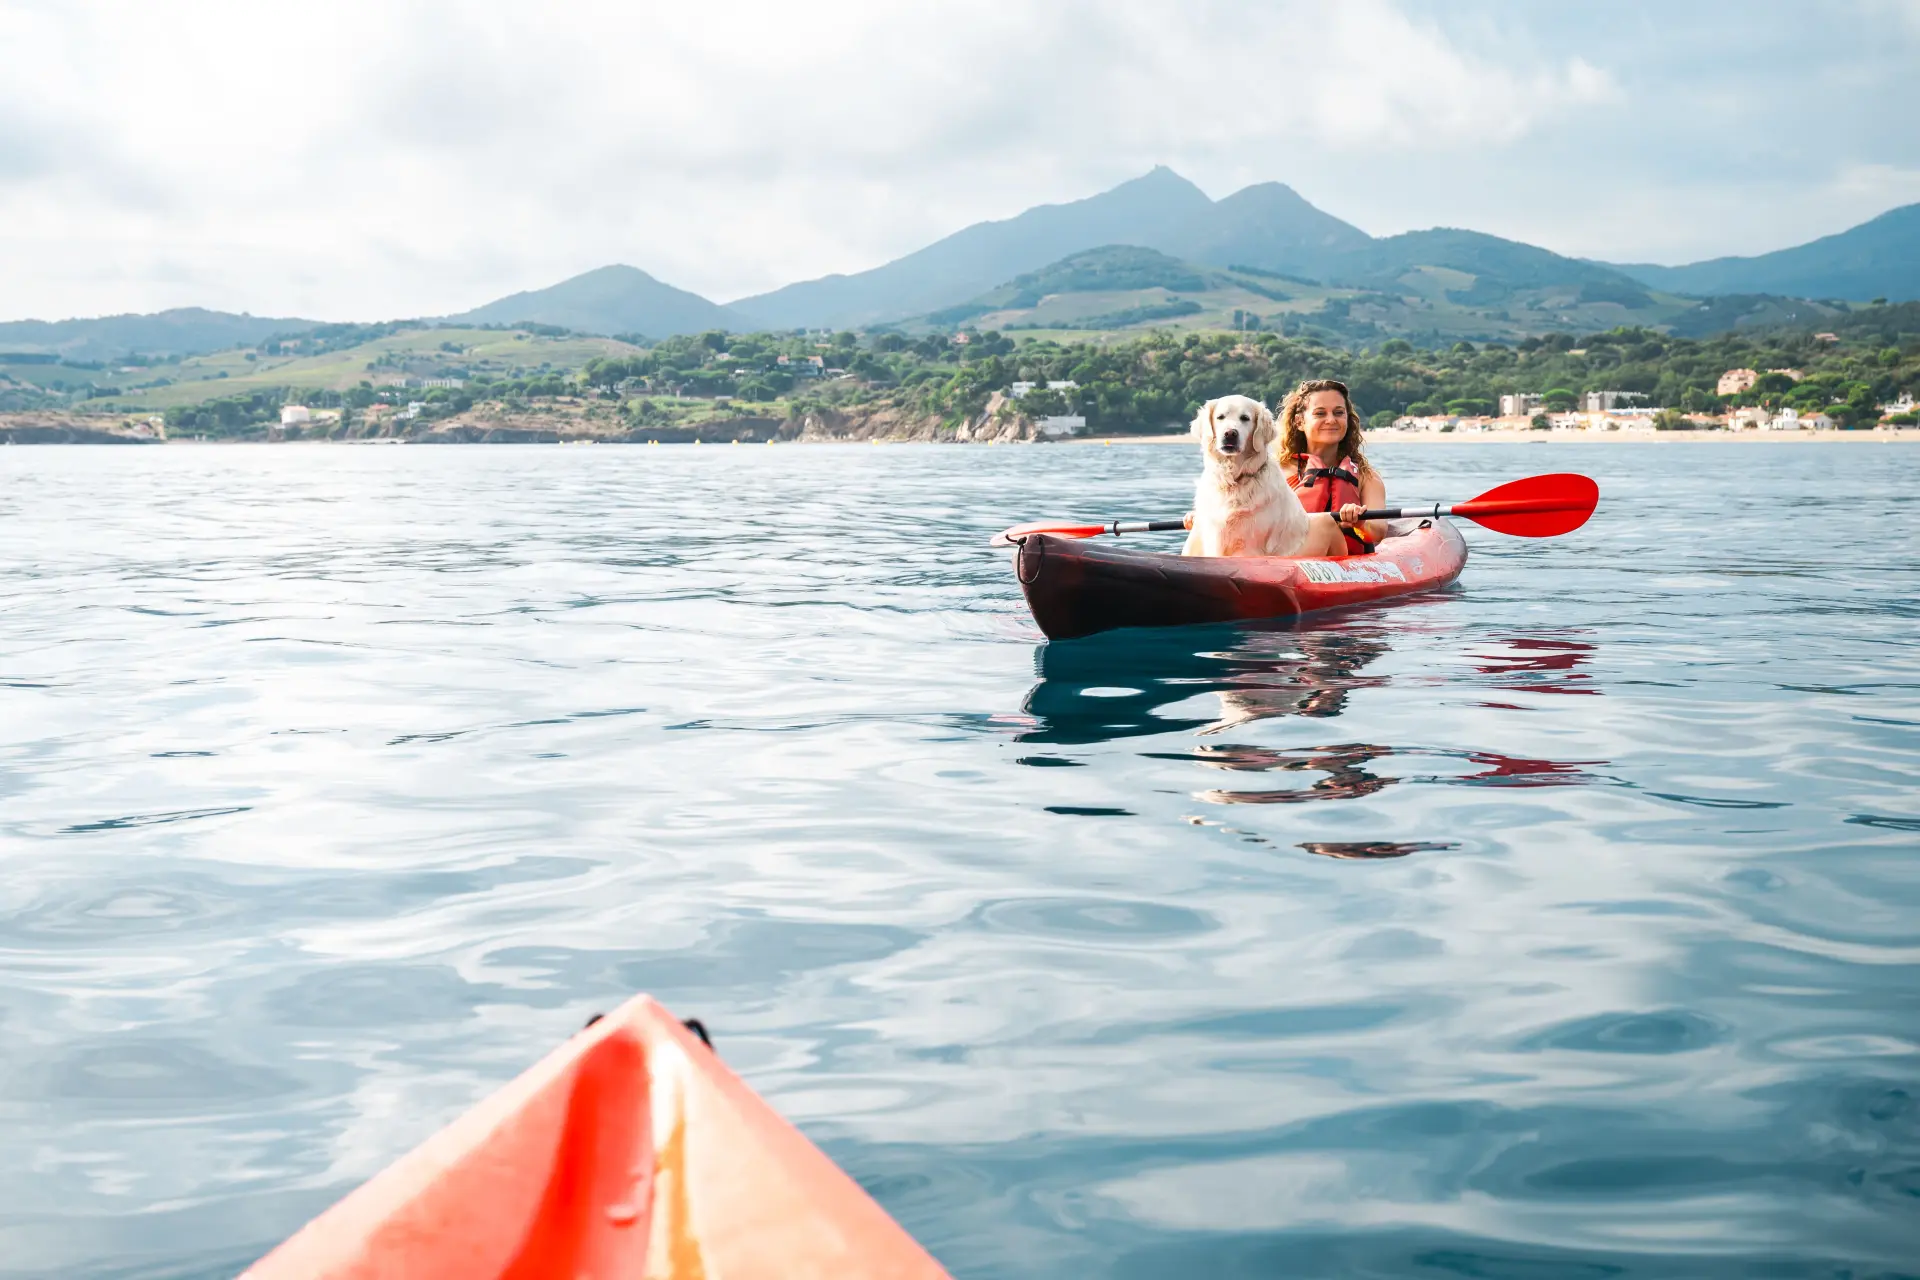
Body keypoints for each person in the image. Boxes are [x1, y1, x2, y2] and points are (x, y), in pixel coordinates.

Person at [1275, 378, 1386, 556]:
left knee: (1325, 524)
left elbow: (1378, 532)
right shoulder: (1277, 472)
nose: (1331, 420)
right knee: (1323, 524)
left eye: (1338, 413)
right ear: (1299, 422)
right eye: (1320, 413)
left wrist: (1360, 524)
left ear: (1347, 419)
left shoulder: (1366, 477)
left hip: (1343, 564)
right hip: (1287, 556)